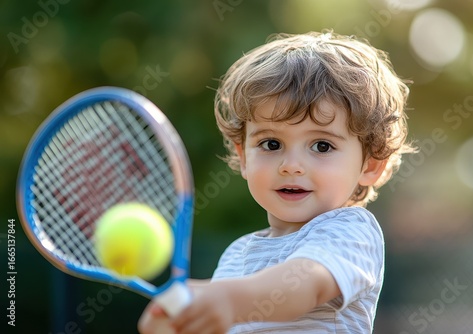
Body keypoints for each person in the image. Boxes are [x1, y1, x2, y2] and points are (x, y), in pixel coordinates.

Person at [138, 30, 415, 334]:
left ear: (371, 165)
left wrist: (228, 300)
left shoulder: (352, 231)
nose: (291, 166)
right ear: (244, 157)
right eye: (271, 144)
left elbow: (305, 283)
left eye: (322, 146)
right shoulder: (236, 256)